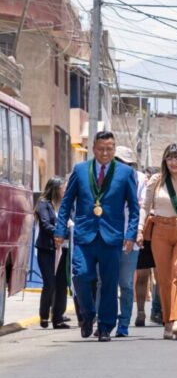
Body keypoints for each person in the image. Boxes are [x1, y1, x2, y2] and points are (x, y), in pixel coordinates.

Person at [54, 131, 139, 342]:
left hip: (112, 236)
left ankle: (105, 326)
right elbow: (66, 203)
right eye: (101, 148)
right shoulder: (81, 170)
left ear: (114, 149)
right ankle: (87, 314)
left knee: (110, 283)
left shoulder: (126, 173)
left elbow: (135, 208)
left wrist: (130, 234)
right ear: (93, 148)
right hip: (85, 234)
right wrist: (59, 229)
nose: (105, 152)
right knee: (80, 275)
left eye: (109, 148)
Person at [136, 144, 177, 340]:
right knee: (164, 279)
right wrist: (140, 230)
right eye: (170, 158)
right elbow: (145, 207)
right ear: (164, 161)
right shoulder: (156, 181)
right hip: (160, 230)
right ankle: (166, 320)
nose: (174, 162)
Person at [112, 146, 146, 337]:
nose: (120, 165)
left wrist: (138, 231)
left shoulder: (140, 179)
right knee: (103, 282)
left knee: (125, 283)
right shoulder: (105, 176)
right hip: (107, 238)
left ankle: (123, 323)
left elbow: (141, 208)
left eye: (124, 162)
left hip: (129, 238)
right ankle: (104, 321)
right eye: (117, 160)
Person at [35, 176, 70, 329]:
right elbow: (45, 224)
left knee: (62, 284)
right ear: (56, 189)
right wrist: (59, 233)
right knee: (49, 283)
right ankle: (44, 315)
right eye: (63, 188)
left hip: (63, 249)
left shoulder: (65, 205)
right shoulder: (44, 204)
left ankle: (58, 318)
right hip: (47, 249)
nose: (65, 190)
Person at [135, 167, 160, 327]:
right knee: (142, 276)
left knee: (161, 277)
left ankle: (162, 311)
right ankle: (140, 312)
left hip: (160, 235)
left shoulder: (166, 192)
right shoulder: (143, 192)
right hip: (144, 235)